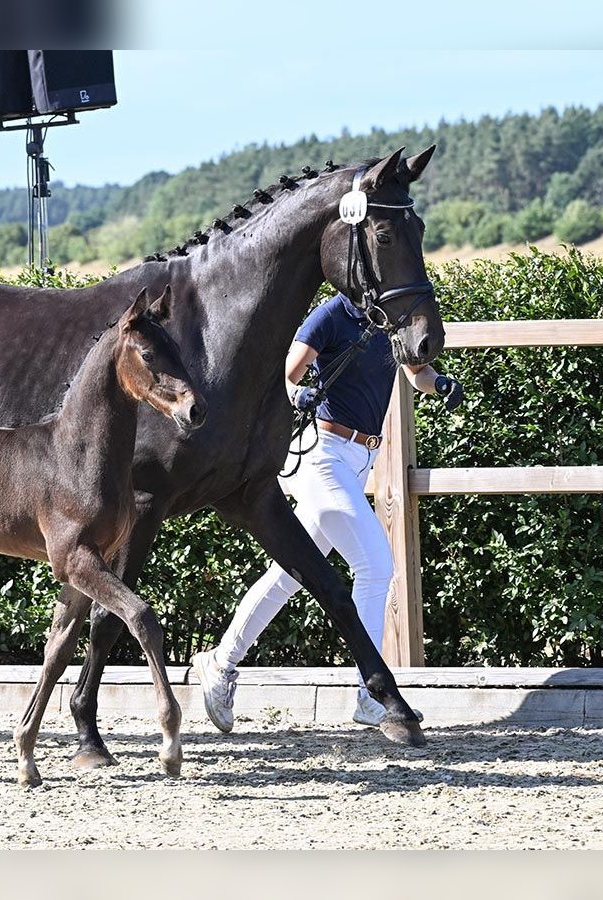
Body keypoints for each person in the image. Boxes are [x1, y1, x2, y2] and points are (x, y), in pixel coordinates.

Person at [193, 291, 464, 731]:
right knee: (376, 565)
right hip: (323, 453)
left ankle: (220, 662)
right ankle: (371, 694)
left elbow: (416, 371)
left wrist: (440, 384)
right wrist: (298, 394)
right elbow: (286, 374)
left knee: (288, 575)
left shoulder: (388, 319)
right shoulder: (332, 315)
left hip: (359, 461)